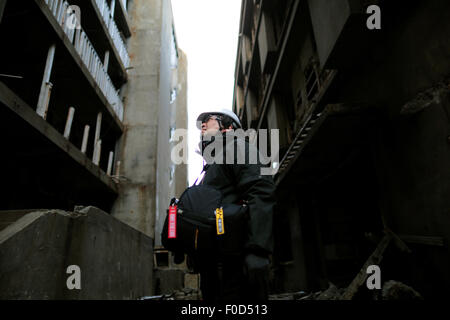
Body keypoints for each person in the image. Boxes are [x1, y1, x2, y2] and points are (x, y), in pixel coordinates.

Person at [190, 108, 276, 301]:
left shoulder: (237, 147)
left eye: (209, 119)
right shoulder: (212, 164)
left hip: (237, 262)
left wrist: (257, 250)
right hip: (215, 264)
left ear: (228, 128)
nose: (202, 124)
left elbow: (260, 192)